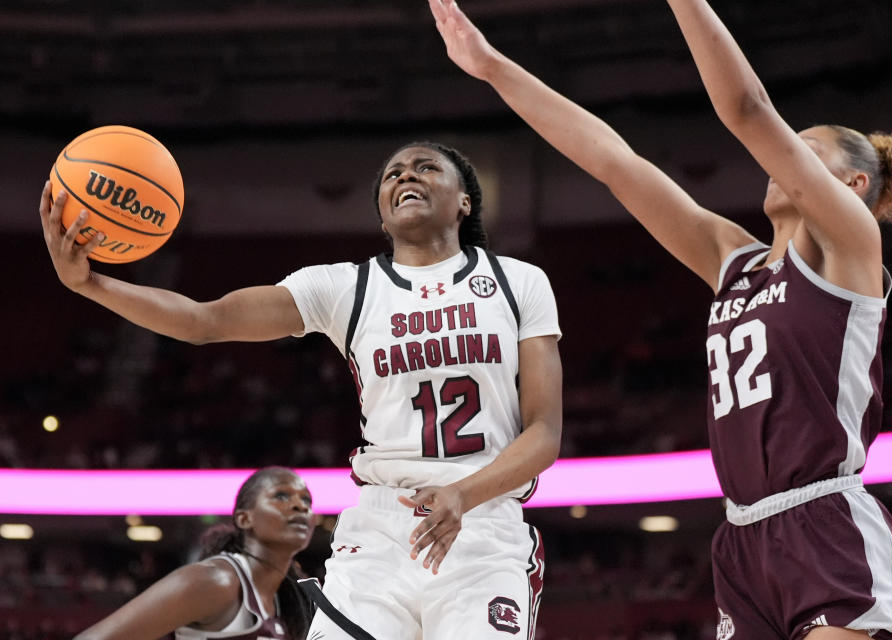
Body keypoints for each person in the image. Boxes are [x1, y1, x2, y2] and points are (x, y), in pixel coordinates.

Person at [428, 0, 892, 638]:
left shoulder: (849, 246)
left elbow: (747, 112)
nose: (778, 161)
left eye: (799, 153)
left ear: (853, 185)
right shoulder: (732, 260)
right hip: (741, 537)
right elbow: (614, 161)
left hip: (824, 523)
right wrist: (493, 67)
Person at [41, 140, 562, 640]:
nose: (405, 174)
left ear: (465, 200)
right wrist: (89, 284)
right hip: (380, 530)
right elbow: (206, 320)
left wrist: (463, 493)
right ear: (383, 217)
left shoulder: (520, 282)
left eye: (425, 167)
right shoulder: (345, 287)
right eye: (391, 174)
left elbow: (543, 433)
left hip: (484, 525)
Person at [73, 466, 316, 640]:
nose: (299, 505)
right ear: (244, 518)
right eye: (281, 496)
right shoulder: (216, 581)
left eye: (306, 500)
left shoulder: (286, 598)